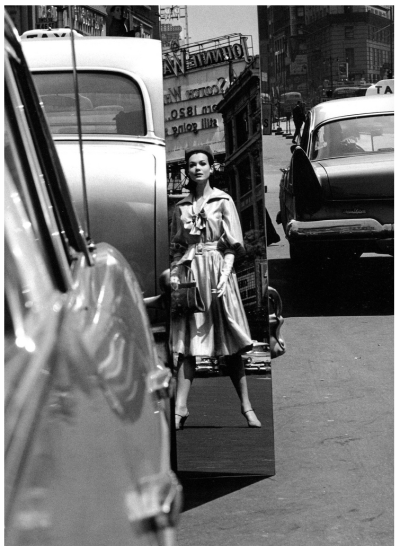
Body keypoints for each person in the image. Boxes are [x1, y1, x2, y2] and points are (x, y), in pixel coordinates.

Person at [170, 145, 262, 431]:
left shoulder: (223, 201)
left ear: (211, 167)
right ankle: (180, 409)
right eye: (192, 164)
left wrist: (225, 274)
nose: (197, 168)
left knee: (231, 346)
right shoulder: (180, 207)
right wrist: (175, 274)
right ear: (187, 170)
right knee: (187, 346)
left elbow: (234, 244)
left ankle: (246, 407)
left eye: (202, 163)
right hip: (191, 276)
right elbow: (177, 246)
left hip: (218, 274)